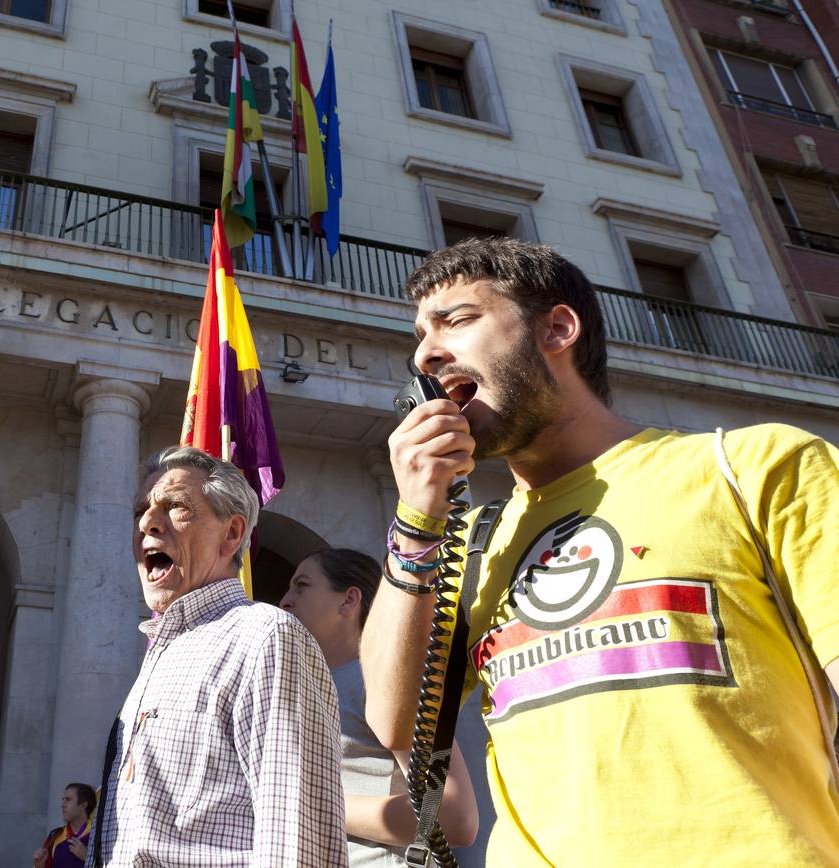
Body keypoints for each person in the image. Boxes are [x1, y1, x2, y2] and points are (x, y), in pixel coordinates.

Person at [361, 237, 839, 864]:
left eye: (458, 319)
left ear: (558, 329)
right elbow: (396, 722)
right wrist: (419, 520)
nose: (426, 352)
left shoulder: (753, 466)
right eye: (420, 335)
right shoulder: (472, 542)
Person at [87, 446, 348, 867]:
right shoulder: (162, 654)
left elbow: (298, 839)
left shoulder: (265, 637)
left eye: (175, 507)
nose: (147, 524)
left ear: (231, 534)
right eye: (140, 511)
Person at [279, 548, 477, 865]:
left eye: (301, 585)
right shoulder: (298, 686)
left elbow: (455, 815)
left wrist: (309, 806)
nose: (285, 601)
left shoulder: (384, 682)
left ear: (349, 600)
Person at [35, 783, 96, 868]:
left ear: (83, 805)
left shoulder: (99, 836)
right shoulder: (55, 836)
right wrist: (39, 866)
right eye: (62, 799)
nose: (62, 805)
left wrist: (88, 858)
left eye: (68, 800)